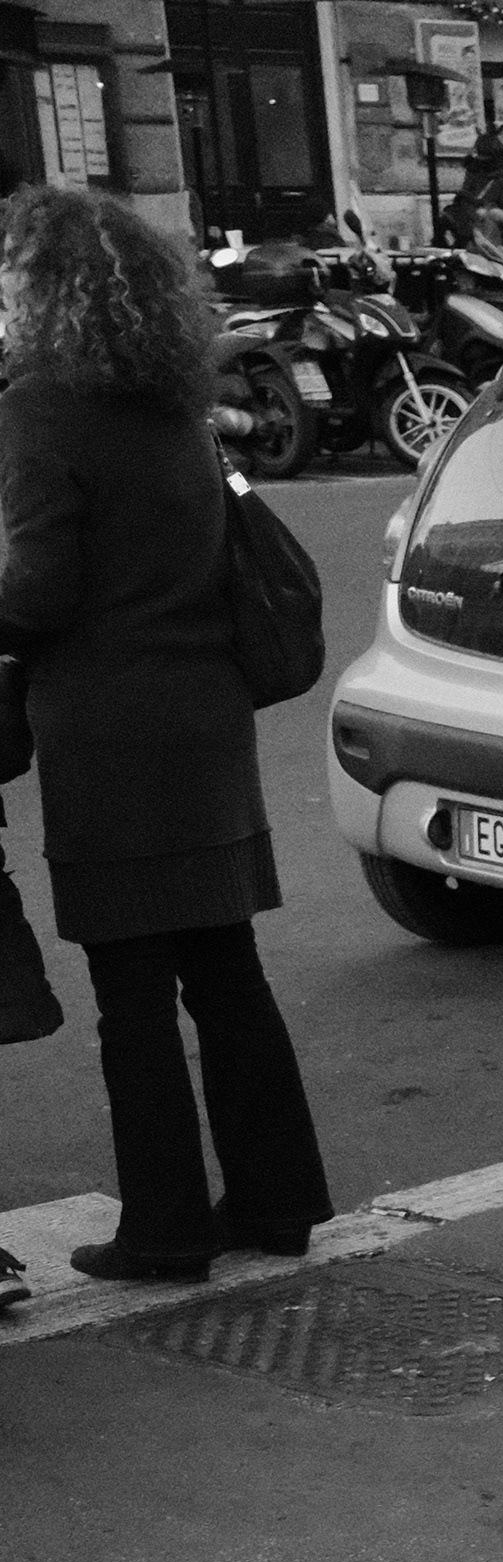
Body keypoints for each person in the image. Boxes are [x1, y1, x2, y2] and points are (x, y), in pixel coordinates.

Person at [0, 189, 329, 1286]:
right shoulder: (172, 396)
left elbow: (37, 595)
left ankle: (166, 1228)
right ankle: (276, 1200)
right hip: (205, 724)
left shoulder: (41, 410)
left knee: (132, 996)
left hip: (112, 740)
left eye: (9, 274)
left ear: (45, 293)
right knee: (226, 972)